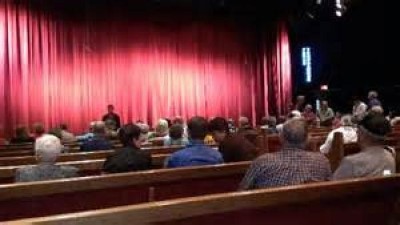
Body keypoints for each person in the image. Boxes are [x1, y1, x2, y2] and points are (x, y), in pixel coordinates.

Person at [239, 118, 331, 190]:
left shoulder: (262, 162)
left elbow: (242, 193)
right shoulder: (322, 161)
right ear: (307, 139)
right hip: (311, 213)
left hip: (271, 213)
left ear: (281, 138)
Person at [333, 114, 395, 180]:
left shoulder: (351, 162)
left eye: (358, 131)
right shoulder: (390, 156)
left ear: (362, 134)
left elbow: (333, 186)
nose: (357, 132)